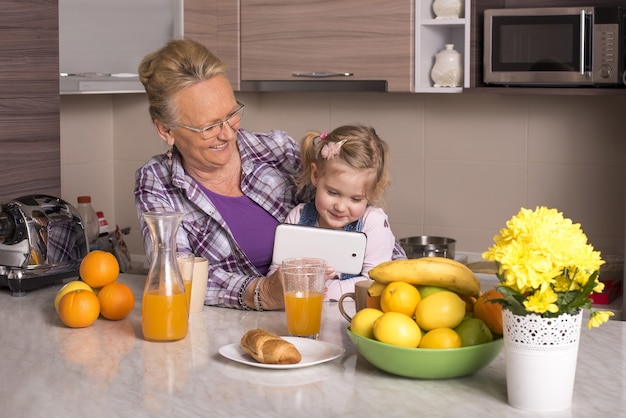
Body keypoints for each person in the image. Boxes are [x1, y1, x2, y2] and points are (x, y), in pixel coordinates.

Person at [134, 38, 306, 311]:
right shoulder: (157, 182)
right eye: (210, 126)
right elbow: (174, 272)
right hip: (230, 329)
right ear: (166, 130)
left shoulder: (277, 149)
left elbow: (357, 219)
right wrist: (261, 293)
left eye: (231, 114)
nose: (228, 133)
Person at [268, 125, 406, 301]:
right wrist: (299, 278)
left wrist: (320, 290)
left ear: (372, 192)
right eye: (333, 193)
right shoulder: (297, 217)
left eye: (355, 199)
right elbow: (274, 276)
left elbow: (374, 282)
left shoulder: (373, 222)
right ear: (316, 175)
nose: (340, 207)